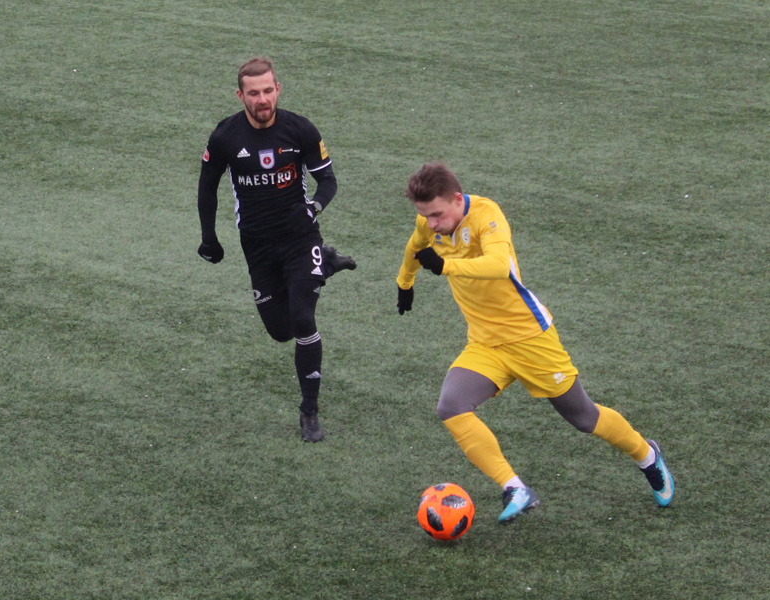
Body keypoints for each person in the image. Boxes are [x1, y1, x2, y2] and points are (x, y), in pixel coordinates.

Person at [396, 162, 674, 523]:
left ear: (457, 199)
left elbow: (499, 265)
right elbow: (415, 246)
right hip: (485, 343)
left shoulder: (486, 215)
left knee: (583, 417)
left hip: (529, 338)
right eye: (425, 216)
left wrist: (445, 267)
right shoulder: (428, 224)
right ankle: (514, 488)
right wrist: (404, 283)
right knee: (451, 406)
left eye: (437, 214)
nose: (432, 223)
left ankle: (647, 455)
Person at [197, 56, 356, 442]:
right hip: (257, 246)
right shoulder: (225, 136)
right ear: (241, 96)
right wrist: (208, 237)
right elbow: (206, 187)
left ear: (278, 89)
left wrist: (314, 208)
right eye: (253, 93)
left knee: (302, 319)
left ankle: (309, 412)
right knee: (280, 331)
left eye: (268, 90)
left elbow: (328, 181)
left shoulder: (300, 129)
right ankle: (327, 265)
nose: (262, 99)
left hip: (301, 240)